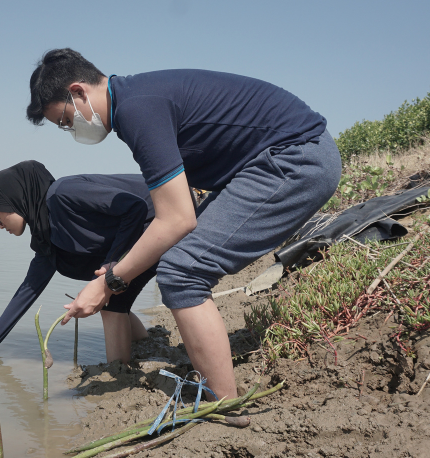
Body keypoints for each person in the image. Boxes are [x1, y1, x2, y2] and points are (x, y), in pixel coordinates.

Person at [26, 49, 342, 399]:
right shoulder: (134, 100)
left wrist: (109, 282)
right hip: (273, 161)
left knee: (182, 270)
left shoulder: (137, 109)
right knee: (177, 259)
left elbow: (177, 218)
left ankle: (222, 403)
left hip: (297, 158)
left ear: (79, 91)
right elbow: (178, 208)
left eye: (67, 120)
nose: (71, 130)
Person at [0, 161, 157, 363]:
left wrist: (111, 263)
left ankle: (118, 373)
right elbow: (26, 293)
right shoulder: (46, 237)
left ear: (14, 201)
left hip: (167, 216)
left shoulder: (62, 194)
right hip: (138, 236)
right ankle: (147, 348)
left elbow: (136, 207)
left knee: (108, 296)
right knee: (113, 299)